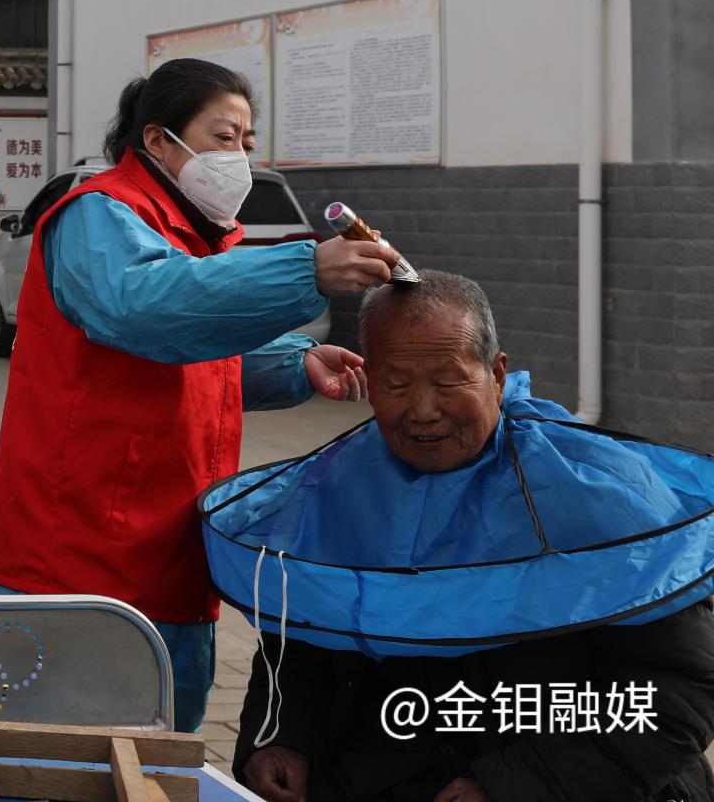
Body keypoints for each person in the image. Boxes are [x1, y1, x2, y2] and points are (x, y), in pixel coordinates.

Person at [0, 59, 396, 731]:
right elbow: (144, 311)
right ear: (157, 141)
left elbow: (194, 361)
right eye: (224, 136)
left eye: (249, 142)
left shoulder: (186, 234)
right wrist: (305, 267)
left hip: (167, 549)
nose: (241, 156)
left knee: (161, 744)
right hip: (75, 555)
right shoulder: (97, 214)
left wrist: (298, 362)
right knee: (62, 753)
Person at [230, 274, 714, 802]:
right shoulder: (338, 487)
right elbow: (297, 643)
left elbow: (680, 691)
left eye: (446, 381)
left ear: (497, 374)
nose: (421, 409)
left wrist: (510, 786)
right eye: (395, 384)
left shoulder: (601, 494)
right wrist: (278, 739)